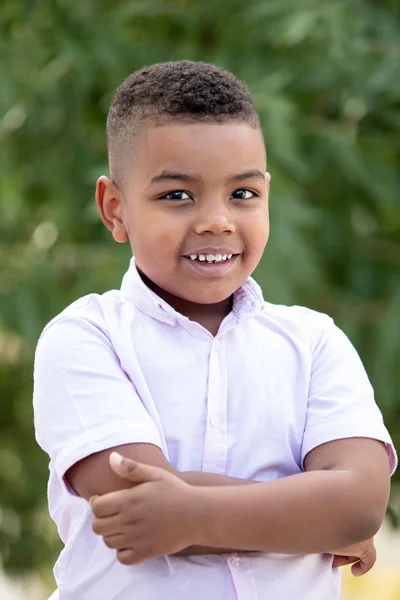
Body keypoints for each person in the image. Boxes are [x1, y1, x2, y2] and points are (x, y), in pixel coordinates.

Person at [33, 61, 397, 600]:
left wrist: (197, 512)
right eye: (177, 196)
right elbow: (136, 505)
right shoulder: (86, 337)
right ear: (115, 209)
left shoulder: (314, 342)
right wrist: (312, 519)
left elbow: (361, 503)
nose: (216, 221)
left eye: (242, 194)